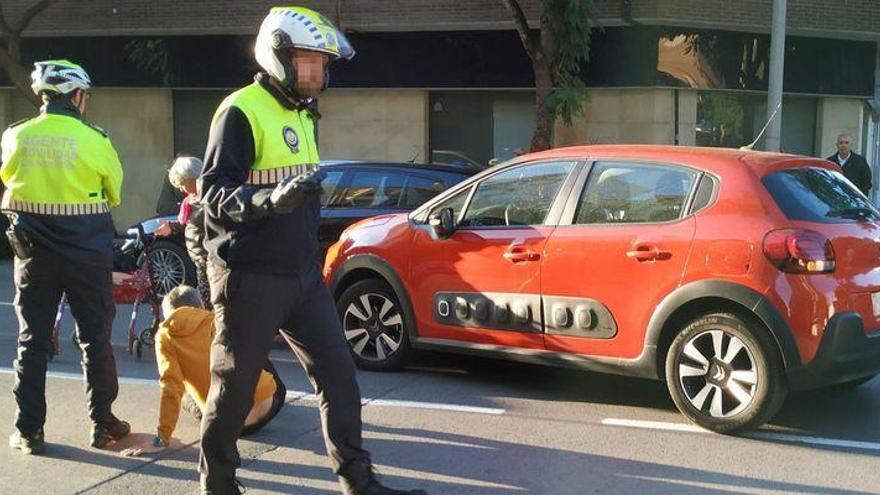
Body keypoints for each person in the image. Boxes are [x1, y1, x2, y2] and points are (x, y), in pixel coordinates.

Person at [197, 7, 426, 495]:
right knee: (234, 391)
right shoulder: (240, 110)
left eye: (322, 64)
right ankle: (216, 487)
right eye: (307, 62)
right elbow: (212, 195)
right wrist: (268, 200)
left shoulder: (302, 113)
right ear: (277, 56)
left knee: (341, 379)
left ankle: (358, 481)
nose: (318, 74)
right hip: (250, 275)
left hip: (301, 275)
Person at [2, 60, 129, 455]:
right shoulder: (95, 139)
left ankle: (29, 432)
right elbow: (115, 192)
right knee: (95, 340)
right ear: (76, 96)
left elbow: (7, 179)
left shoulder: (15, 136)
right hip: (87, 254)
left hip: (34, 255)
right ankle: (103, 425)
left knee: (32, 341)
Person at [120, 286, 286, 457]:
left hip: (226, 425)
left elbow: (171, 386)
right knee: (252, 352)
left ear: (168, 315)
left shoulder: (166, 335)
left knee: (183, 392)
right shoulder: (218, 318)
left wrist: (162, 437)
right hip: (267, 406)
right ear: (199, 304)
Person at [156, 155, 212, 308]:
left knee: (211, 301)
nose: (181, 189)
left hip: (210, 258)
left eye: (182, 184)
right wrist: (171, 227)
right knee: (207, 298)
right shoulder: (191, 200)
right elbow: (186, 224)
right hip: (201, 258)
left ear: (192, 178)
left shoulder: (207, 199)